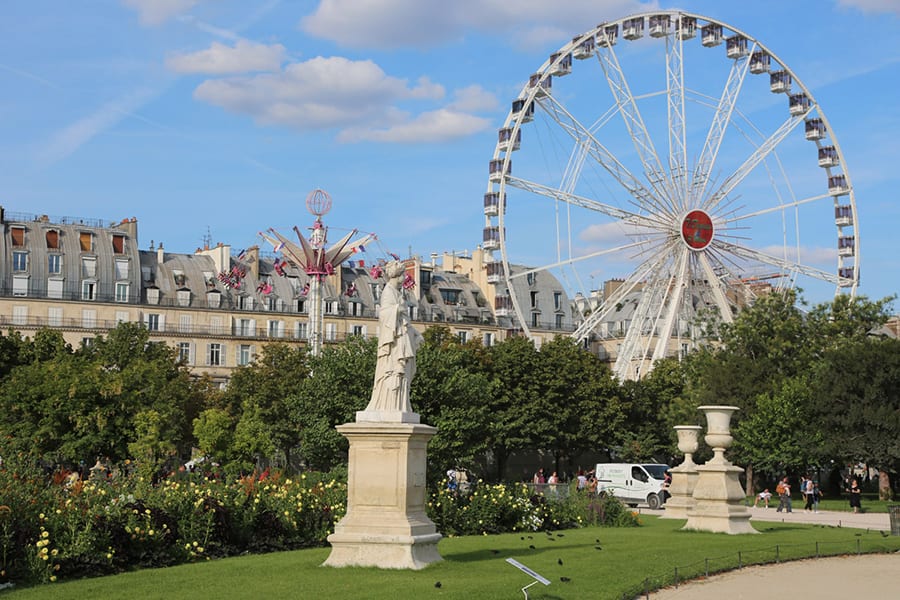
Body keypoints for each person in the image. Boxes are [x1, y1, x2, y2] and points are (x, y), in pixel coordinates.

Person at [364, 260, 424, 414]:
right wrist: (398, 308)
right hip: (394, 340)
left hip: (402, 338)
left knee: (403, 372)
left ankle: (401, 405)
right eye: (403, 274)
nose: (405, 277)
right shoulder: (388, 292)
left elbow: (405, 322)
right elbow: (384, 315)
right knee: (394, 371)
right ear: (397, 276)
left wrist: (416, 333)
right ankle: (389, 404)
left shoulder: (397, 292)